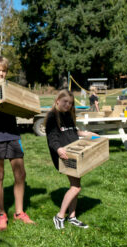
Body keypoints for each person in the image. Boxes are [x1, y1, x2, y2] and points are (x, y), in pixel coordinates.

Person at [0, 56, 35, 231]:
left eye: (3, 70)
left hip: (13, 135)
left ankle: (19, 212)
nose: (1, 73)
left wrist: (28, 110)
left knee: (20, 174)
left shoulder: (10, 88)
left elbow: (22, 107)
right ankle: (2, 214)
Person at [45, 89, 98, 230]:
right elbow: (52, 137)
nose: (68, 105)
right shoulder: (52, 116)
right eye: (65, 102)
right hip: (63, 156)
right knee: (76, 187)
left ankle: (72, 216)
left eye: (70, 103)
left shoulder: (68, 115)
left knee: (76, 184)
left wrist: (86, 134)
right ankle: (60, 216)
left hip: (74, 153)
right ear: (57, 101)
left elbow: (73, 131)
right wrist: (58, 149)